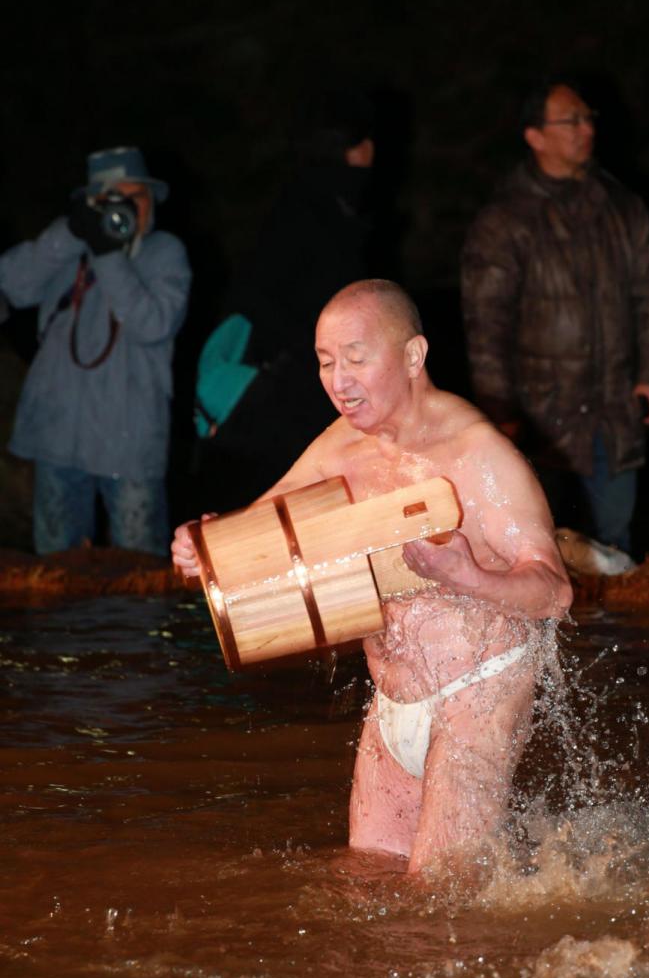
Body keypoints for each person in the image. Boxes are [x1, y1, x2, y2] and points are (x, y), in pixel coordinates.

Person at [173, 279, 573, 874]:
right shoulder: (341, 445)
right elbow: (260, 523)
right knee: (363, 880)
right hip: (392, 699)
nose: (339, 381)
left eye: (357, 359)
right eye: (326, 362)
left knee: (437, 900)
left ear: (414, 355)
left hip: (477, 696)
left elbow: (554, 593)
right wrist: (202, 546)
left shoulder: (480, 456)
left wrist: (469, 577)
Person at [460, 75, 649, 554]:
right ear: (534, 136)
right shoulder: (506, 219)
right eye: (570, 120)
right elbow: (486, 326)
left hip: (614, 413)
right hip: (543, 424)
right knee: (545, 552)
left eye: (587, 118)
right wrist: (498, 415)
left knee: (614, 550)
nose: (585, 129)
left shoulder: (621, 207)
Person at [0, 145, 191, 555]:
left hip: (129, 442)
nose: (122, 208)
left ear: (149, 201)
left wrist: (107, 255)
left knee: (139, 579)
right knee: (55, 577)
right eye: (108, 200)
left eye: (133, 196)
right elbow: (11, 284)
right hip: (59, 439)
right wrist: (70, 232)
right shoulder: (70, 247)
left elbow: (152, 323)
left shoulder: (166, 253)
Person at [195, 88, 376, 512]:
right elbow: (262, 295)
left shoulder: (328, 205)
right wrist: (314, 355)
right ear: (357, 146)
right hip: (285, 391)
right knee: (290, 500)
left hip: (302, 382)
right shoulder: (314, 210)